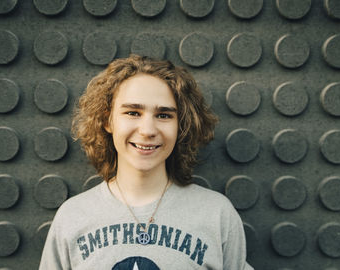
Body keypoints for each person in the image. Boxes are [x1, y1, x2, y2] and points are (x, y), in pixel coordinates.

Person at [39, 55, 254, 270]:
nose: (148, 130)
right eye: (133, 112)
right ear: (107, 120)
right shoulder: (73, 216)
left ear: (181, 125)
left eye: (163, 115)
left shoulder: (217, 214)